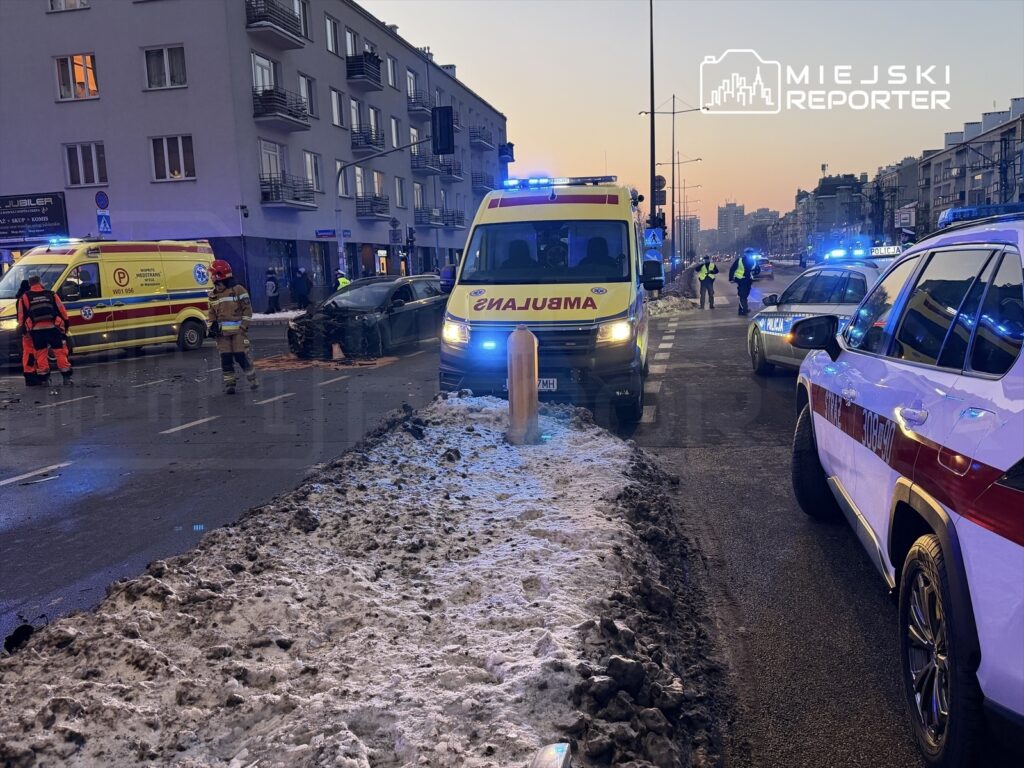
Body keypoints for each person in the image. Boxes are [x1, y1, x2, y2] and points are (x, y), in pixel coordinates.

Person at [208, 259, 257, 395]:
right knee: (226, 359)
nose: (217, 286)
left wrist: (243, 327)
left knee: (241, 356)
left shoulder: (238, 290)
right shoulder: (213, 295)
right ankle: (230, 384)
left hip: (238, 333)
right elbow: (211, 312)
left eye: (218, 283)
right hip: (222, 335)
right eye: (215, 284)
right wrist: (211, 326)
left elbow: (247, 310)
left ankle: (252, 378)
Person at [17, 275, 72, 388]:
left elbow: (21, 316)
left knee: (41, 354)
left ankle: (45, 380)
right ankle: (66, 378)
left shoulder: (25, 297)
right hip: (53, 328)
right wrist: (66, 324)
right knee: (59, 352)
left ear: (30, 284)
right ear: (40, 282)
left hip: (36, 330)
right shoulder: (51, 294)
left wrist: (23, 329)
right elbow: (62, 310)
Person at [14, 280, 41, 386]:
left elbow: (20, 317)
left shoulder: (20, 298)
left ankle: (30, 374)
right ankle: (32, 374)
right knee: (32, 352)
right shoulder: (26, 298)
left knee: (28, 352)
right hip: (30, 329)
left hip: (26, 329)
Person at [729, 248, 758, 316]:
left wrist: (755, 272)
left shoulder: (753, 261)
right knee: (743, 295)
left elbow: (757, 269)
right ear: (745, 254)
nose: (750, 255)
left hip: (748, 280)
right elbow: (732, 268)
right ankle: (745, 309)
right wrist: (731, 278)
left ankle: (741, 310)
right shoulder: (739, 260)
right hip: (741, 280)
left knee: (745, 295)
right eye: (748, 253)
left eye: (751, 254)